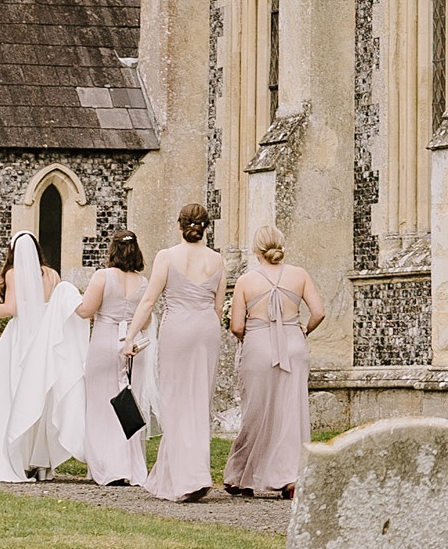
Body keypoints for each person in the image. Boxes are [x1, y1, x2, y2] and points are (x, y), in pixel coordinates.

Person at [120, 203, 227, 502]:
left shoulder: (166, 256)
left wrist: (130, 336)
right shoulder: (218, 260)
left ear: (180, 226)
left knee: (176, 399)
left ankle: (187, 478)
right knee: (198, 400)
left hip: (178, 327)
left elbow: (149, 301)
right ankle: (192, 473)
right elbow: (218, 307)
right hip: (207, 329)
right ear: (206, 227)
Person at [0, 230, 87, 483]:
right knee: (42, 398)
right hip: (47, 338)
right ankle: (42, 463)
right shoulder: (52, 274)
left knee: (13, 396)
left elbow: (9, 309)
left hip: (21, 339)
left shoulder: (13, 273)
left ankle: (16, 457)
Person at [220, 224, 322, 500]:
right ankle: (292, 478)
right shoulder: (299, 275)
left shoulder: (245, 281)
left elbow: (237, 325)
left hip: (259, 346)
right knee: (292, 411)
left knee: (256, 412)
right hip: (294, 345)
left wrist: (250, 337)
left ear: (256, 250)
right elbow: (319, 312)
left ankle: (243, 477)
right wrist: (303, 330)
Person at [73, 230, 147, 487]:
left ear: (112, 250)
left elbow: (86, 310)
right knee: (125, 405)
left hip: (105, 342)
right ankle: (129, 467)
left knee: (101, 405)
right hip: (131, 344)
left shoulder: (102, 277)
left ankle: (109, 466)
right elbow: (146, 319)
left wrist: (69, 301)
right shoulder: (143, 283)